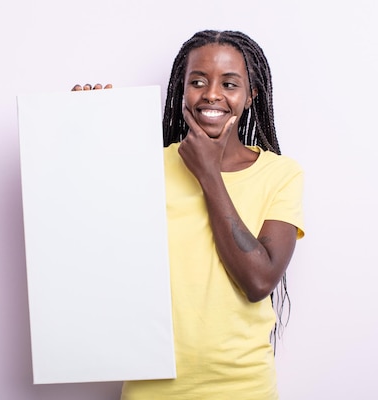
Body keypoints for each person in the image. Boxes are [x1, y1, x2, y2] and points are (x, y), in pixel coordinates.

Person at [73, 30, 304, 400]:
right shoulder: (143, 166)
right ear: (182, 90)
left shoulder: (281, 174)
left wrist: (209, 174)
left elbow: (259, 280)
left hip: (244, 386)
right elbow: (85, 238)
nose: (211, 94)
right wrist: (86, 133)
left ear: (251, 95)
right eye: (198, 81)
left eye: (229, 83)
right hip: (151, 385)